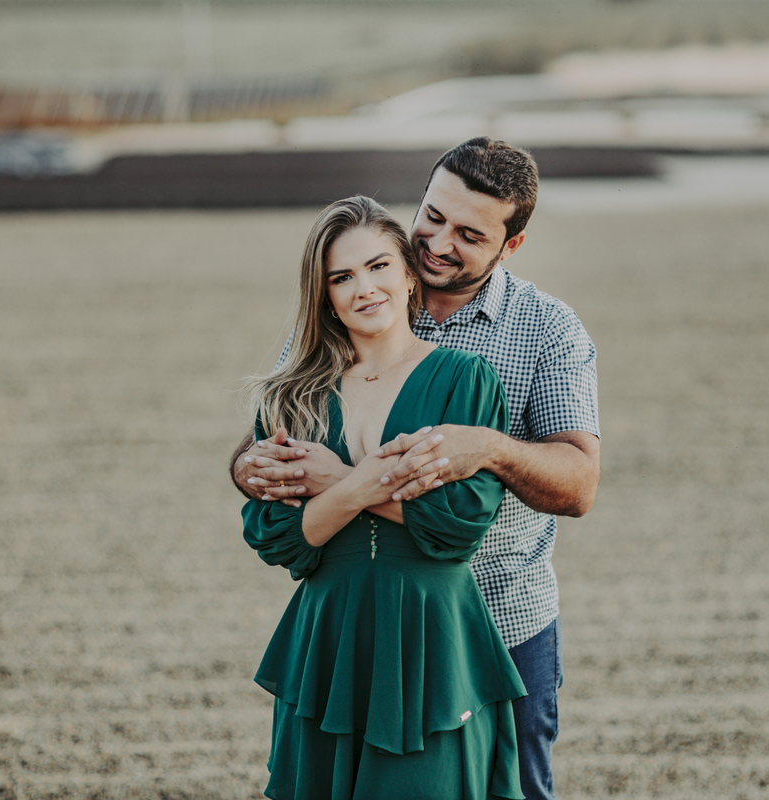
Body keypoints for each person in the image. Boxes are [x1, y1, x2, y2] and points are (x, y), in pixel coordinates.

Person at [233, 137, 601, 800]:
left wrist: (491, 447)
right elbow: (277, 434)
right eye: (432, 216)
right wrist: (250, 468)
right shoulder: (354, 307)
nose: (437, 242)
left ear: (509, 246)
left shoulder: (546, 330)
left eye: (467, 233)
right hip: (358, 626)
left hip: (500, 621)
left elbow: (578, 482)